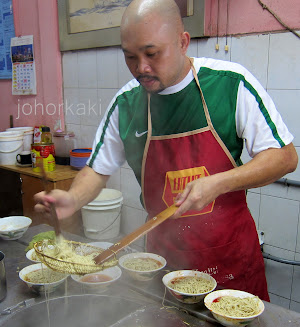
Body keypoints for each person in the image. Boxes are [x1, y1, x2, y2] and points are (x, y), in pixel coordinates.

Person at [35, 0, 298, 301]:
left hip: (231, 263)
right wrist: (72, 198)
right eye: (130, 57)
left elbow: (284, 158)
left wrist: (217, 183)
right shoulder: (126, 104)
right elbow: (97, 169)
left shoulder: (228, 85)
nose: (141, 68)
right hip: (161, 266)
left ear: (183, 42)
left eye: (152, 54)